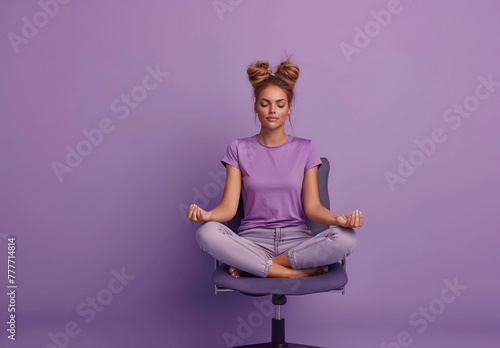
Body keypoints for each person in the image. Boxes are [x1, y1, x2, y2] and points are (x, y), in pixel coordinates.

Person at [187, 58, 363, 279]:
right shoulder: (238, 148)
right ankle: (293, 274)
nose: (272, 110)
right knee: (206, 232)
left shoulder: (306, 148)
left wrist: (339, 220)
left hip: (297, 243)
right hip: (251, 242)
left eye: (280, 104)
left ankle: (260, 267)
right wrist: (208, 215)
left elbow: (313, 208)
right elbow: (229, 208)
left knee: (347, 238)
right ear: (255, 107)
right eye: (265, 103)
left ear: (289, 108)